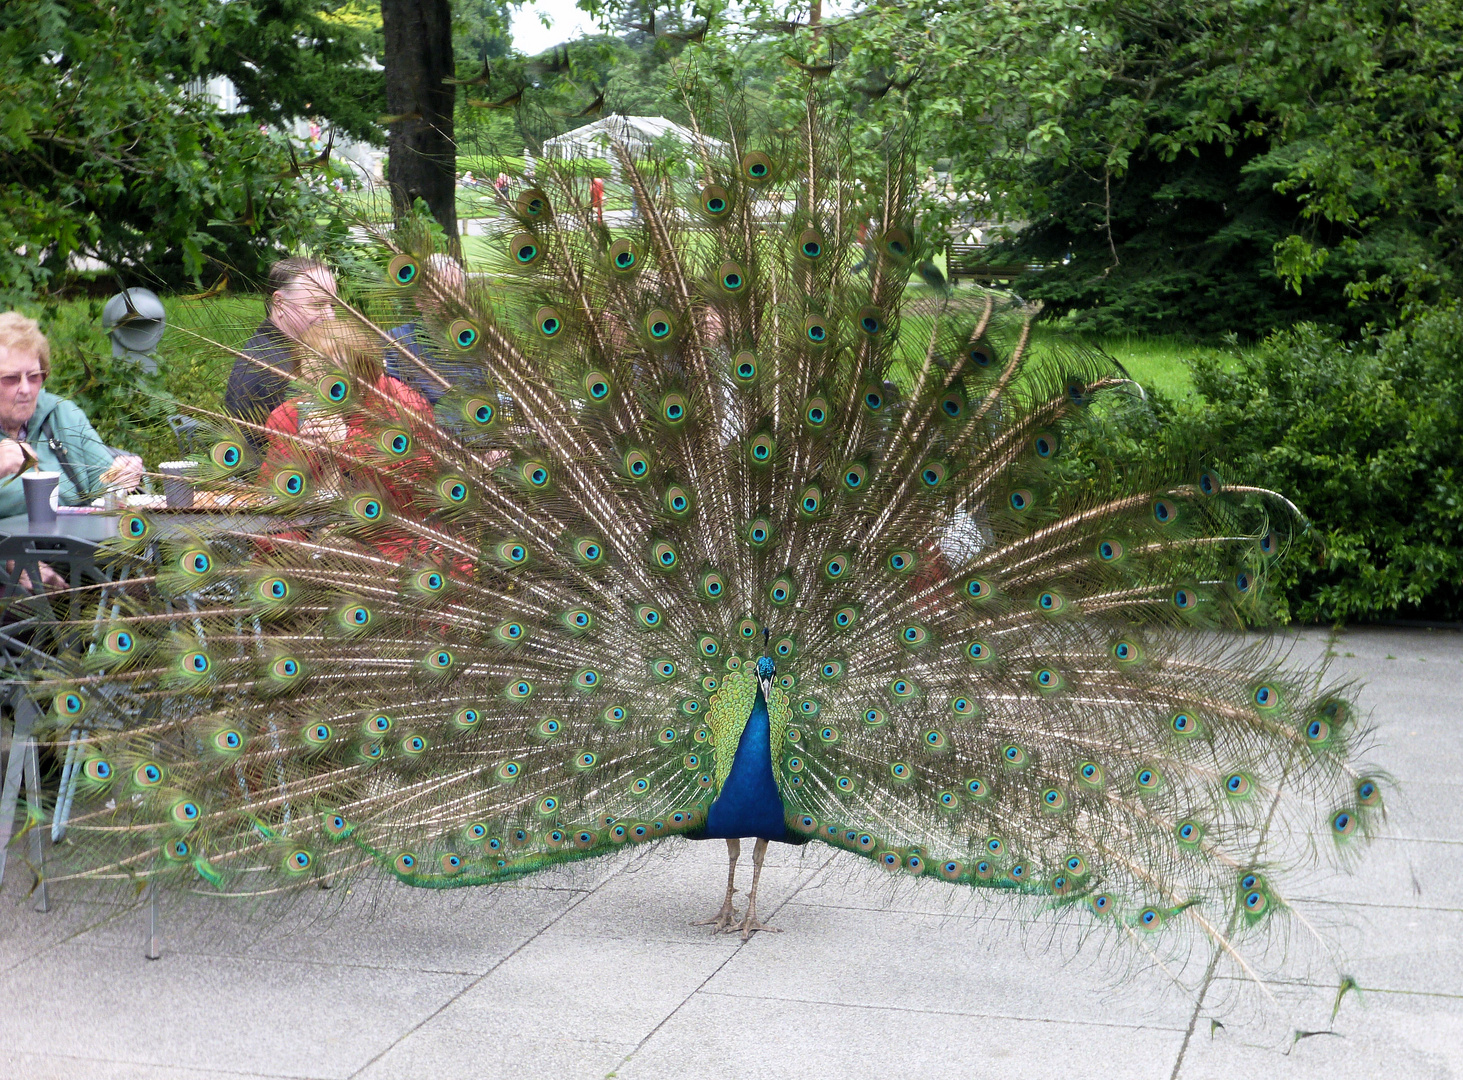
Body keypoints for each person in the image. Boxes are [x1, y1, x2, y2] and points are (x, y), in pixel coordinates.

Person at [0, 312, 145, 521]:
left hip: (74, 549)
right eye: (11, 379)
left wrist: (124, 480)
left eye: (34, 376)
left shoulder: (62, 414)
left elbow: (103, 481)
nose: (26, 389)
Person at [223, 258, 337, 441]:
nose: (330, 316)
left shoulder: (289, 352)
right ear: (279, 303)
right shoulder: (269, 370)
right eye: (317, 305)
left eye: (333, 305)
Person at [383, 255, 482, 404]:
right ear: (419, 300)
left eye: (457, 292)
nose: (451, 303)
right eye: (441, 294)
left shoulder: (480, 341)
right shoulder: (399, 343)